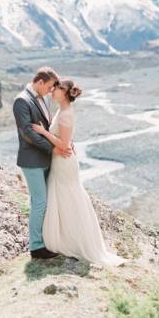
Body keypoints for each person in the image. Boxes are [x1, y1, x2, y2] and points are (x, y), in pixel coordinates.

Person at [31, 79, 125, 267]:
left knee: (67, 196)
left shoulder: (65, 114)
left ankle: (72, 240)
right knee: (63, 196)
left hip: (64, 163)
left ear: (65, 92)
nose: (53, 90)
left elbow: (64, 144)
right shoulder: (61, 111)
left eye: (56, 88)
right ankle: (63, 236)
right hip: (61, 160)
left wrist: (43, 132)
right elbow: (66, 140)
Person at [13, 67, 73, 259]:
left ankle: (46, 240)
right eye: (48, 86)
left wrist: (67, 144)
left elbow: (50, 129)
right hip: (32, 160)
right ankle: (36, 247)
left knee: (45, 202)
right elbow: (28, 133)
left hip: (46, 159)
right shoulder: (21, 101)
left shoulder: (42, 99)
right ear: (39, 82)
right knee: (39, 202)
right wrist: (53, 149)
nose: (50, 91)